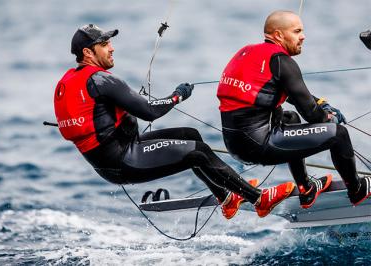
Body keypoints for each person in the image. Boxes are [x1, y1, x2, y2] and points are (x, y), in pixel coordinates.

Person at [53, 23, 295, 220]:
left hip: (111, 158)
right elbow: (149, 111)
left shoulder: (72, 81)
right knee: (197, 152)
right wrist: (177, 95)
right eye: (104, 45)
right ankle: (259, 199)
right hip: (123, 158)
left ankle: (226, 197)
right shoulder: (101, 81)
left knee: (190, 135)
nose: (112, 49)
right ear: (88, 52)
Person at [217, 11, 371, 209]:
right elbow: (312, 114)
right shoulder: (283, 62)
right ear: (279, 35)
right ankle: (357, 191)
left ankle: (306, 189)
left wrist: (321, 103)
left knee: (291, 118)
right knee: (338, 134)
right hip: (261, 146)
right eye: (297, 31)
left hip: (235, 145)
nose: (303, 36)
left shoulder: (248, 52)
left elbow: (275, 91)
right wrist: (328, 117)